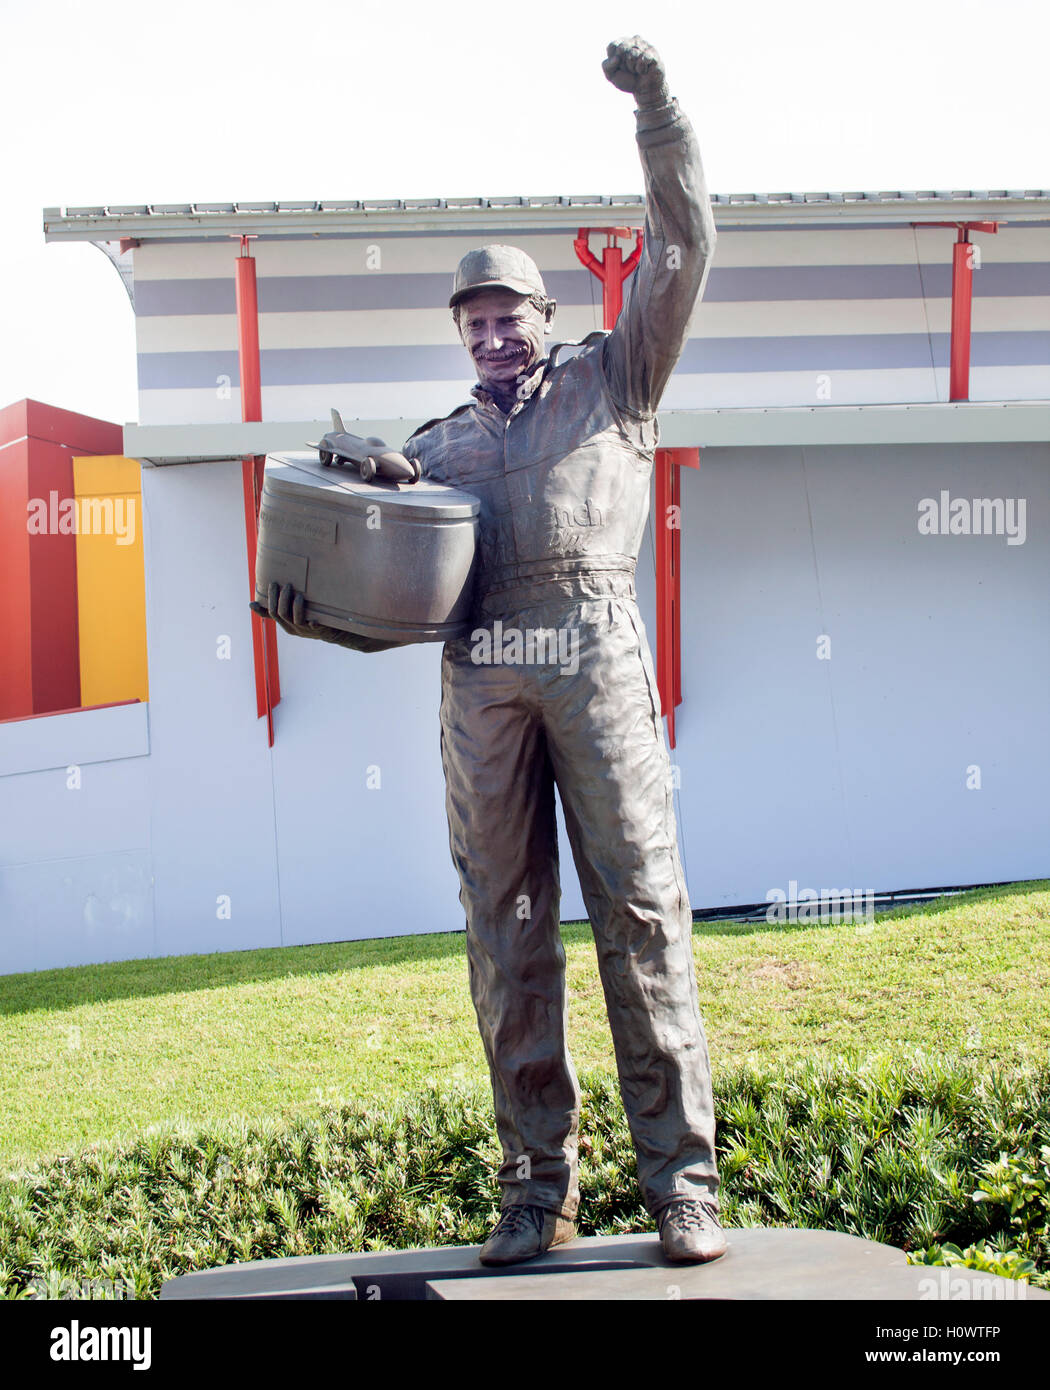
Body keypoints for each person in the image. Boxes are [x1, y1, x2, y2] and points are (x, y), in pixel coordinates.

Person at [263, 35, 725, 1268]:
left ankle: (682, 1184)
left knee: (641, 911)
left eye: (507, 313)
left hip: (594, 654)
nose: (491, 333)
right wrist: (318, 576)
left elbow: (683, 246)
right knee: (506, 934)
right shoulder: (434, 450)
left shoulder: (618, 379)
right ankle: (535, 1192)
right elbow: (386, 594)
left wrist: (659, 115)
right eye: (473, 321)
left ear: (544, 316)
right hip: (483, 681)